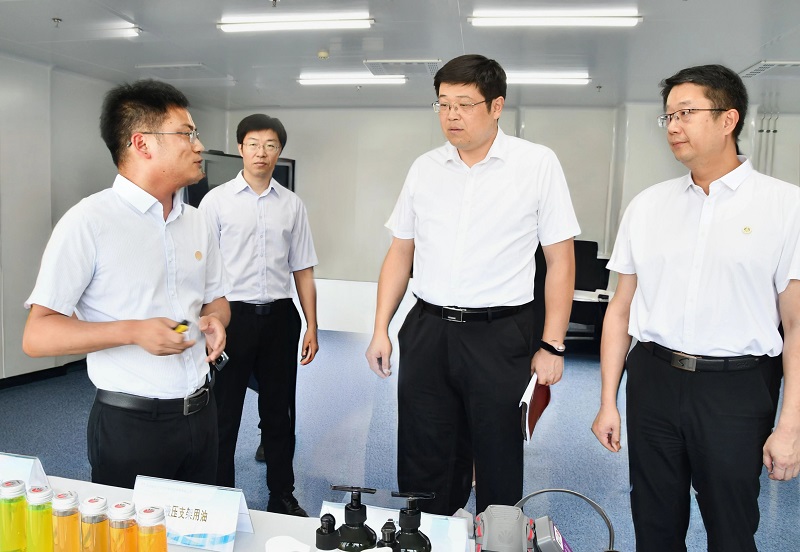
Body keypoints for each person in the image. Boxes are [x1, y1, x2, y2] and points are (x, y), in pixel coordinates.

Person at [591, 64, 800, 551]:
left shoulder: (784, 207)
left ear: (729, 119)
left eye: (686, 113)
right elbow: (620, 309)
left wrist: (790, 424)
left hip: (737, 388)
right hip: (654, 379)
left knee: (731, 528)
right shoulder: (648, 205)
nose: (673, 126)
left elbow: (795, 324)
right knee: (654, 523)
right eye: (668, 116)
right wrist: (607, 400)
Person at [365, 54, 580, 516]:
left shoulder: (536, 164)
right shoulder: (425, 168)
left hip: (500, 334)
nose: (452, 115)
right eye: (443, 104)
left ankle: (495, 536)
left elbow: (560, 261)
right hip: (428, 328)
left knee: (497, 452)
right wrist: (381, 327)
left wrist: (553, 345)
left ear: (496, 106)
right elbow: (400, 251)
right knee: (424, 449)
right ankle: (426, 532)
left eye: (464, 104)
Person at [22, 79, 230, 489]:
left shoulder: (198, 221)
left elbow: (216, 300)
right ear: (142, 143)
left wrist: (216, 321)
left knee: (198, 523)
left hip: (202, 413)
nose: (199, 146)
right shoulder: (88, 222)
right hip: (131, 425)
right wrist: (133, 332)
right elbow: (38, 336)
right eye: (187, 134)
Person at [199, 114, 318, 516]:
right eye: (253, 144)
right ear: (240, 148)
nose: (261, 152)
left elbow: (303, 269)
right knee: (224, 413)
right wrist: (206, 322)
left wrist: (312, 325)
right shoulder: (216, 202)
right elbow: (201, 268)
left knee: (280, 413)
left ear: (279, 151)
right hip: (231, 317)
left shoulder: (292, 205)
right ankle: (221, 499)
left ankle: (282, 494)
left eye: (270, 145)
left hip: (281, 318)